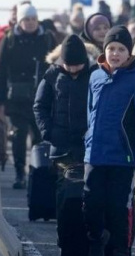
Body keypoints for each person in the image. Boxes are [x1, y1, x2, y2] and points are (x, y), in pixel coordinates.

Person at [83, 25, 135, 256]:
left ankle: (120, 255)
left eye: (121, 49)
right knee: (91, 204)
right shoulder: (95, 76)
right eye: (111, 48)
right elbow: (90, 113)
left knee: (119, 207)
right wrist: (87, 142)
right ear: (105, 50)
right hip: (95, 154)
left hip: (123, 156)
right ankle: (96, 239)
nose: (115, 53)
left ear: (129, 53)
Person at [33, 34, 95, 220]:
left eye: (77, 65)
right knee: (66, 188)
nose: (74, 69)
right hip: (62, 146)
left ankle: (85, 233)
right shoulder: (52, 75)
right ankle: (66, 231)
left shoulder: (95, 74)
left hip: (89, 144)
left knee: (89, 190)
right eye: (69, 65)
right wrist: (48, 132)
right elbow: (40, 106)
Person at [0, 3, 56, 189]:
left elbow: (57, 66)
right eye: (26, 19)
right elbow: (1, 72)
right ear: (20, 20)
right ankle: (19, 173)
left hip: (42, 96)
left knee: (40, 138)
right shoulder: (9, 40)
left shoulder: (47, 39)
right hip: (17, 99)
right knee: (18, 136)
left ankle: (37, 172)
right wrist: (1, 102)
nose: (30, 23)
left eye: (33, 19)